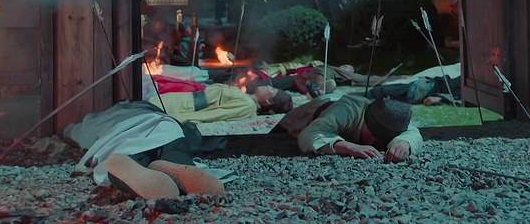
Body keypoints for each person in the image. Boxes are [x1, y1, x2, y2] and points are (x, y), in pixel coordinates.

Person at [64, 100, 232, 199]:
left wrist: (68, 131)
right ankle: (180, 163)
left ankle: (127, 166)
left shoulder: (95, 120)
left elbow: (71, 132)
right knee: (174, 147)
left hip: (124, 132)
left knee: (128, 154)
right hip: (163, 124)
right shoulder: (148, 108)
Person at [276, 94, 423, 163]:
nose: (376, 142)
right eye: (374, 134)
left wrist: (404, 143)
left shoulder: (392, 117)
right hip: (300, 119)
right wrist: (348, 147)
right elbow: (309, 134)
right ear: (366, 120)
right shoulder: (346, 111)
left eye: (384, 138)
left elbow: (413, 132)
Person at [147, 83, 293, 123]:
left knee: (146, 109)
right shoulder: (246, 99)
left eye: (271, 89)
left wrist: (176, 119)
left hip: (184, 107)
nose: (267, 86)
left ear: (269, 101)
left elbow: (214, 114)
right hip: (183, 99)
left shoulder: (248, 105)